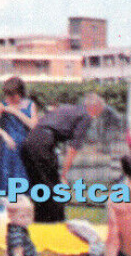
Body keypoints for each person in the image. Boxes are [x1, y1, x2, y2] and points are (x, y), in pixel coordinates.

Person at [20, 93, 106, 224]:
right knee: (53, 187)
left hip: (28, 142)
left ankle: (40, 220)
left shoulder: (66, 108)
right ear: (94, 107)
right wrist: (64, 175)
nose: (98, 115)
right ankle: (55, 222)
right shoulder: (86, 116)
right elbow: (73, 148)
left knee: (39, 185)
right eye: (100, 110)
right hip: (43, 143)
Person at [0, 77, 39, 196]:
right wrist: (4, 135)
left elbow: (34, 125)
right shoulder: (2, 105)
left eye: (13, 95)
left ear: (20, 93)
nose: (10, 99)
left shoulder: (30, 104)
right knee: (7, 176)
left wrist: (15, 112)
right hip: (9, 148)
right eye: (8, 95)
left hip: (25, 147)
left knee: (24, 176)